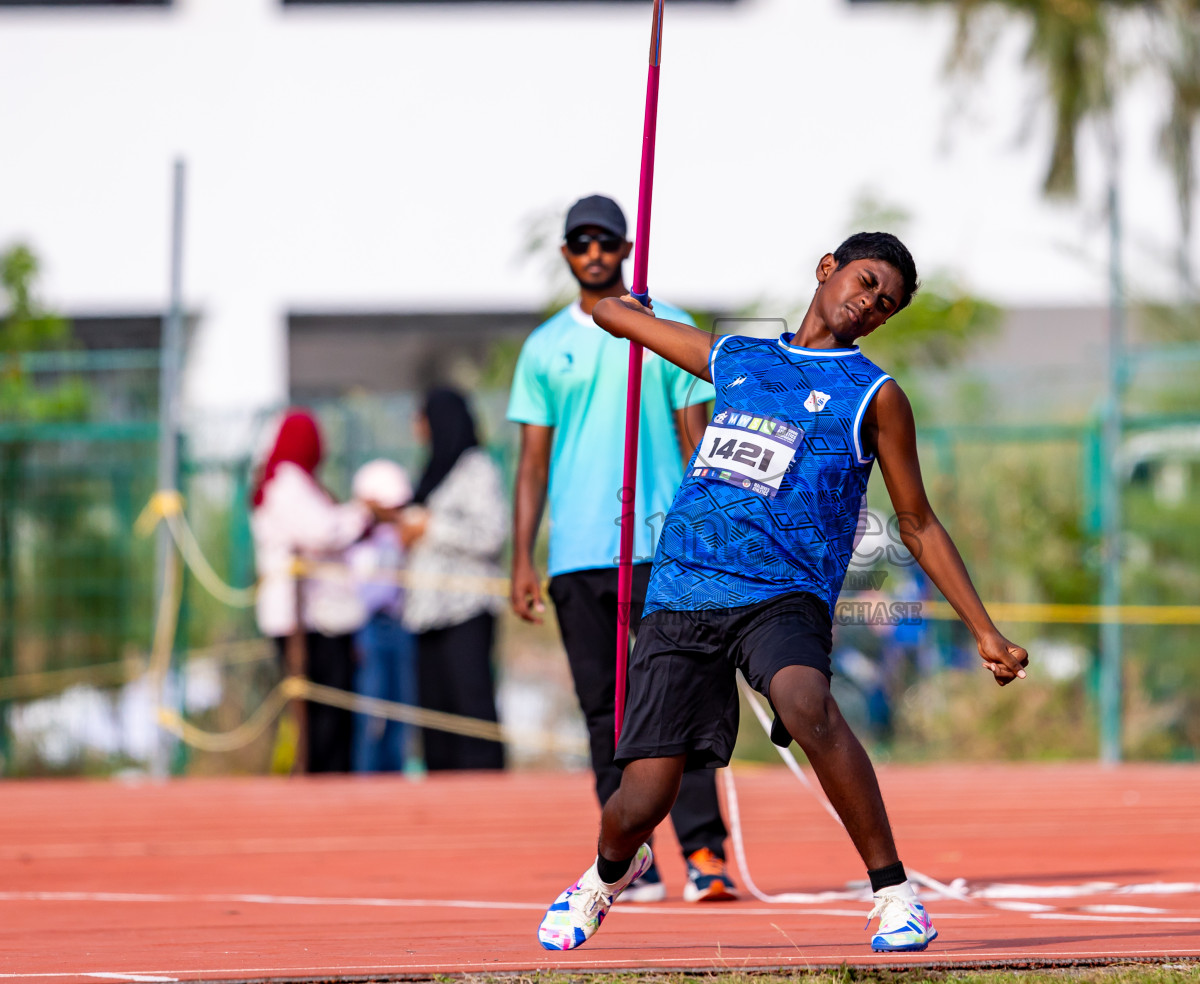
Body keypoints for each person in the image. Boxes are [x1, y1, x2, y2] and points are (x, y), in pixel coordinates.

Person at [537, 232, 1029, 953]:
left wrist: (985, 629)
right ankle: (607, 874)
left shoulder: (876, 396)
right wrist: (626, 306)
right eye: (864, 283)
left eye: (884, 304)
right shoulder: (740, 358)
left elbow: (917, 523)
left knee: (805, 702)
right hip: (683, 590)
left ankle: (895, 894)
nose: (869, 305)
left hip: (782, 593)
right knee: (640, 799)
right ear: (826, 269)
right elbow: (614, 316)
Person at [508, 194, 736, 903]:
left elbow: (697, 436)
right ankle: (630, 859)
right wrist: (522, 557)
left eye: (606, 240)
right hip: (578, 555)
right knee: (606, 710)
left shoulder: (665, 328)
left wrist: (716, 529)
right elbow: (532, 464)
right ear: (567, 253)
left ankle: (705, 854)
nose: (594, 252)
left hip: (664, 548)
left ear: (626, 246)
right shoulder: (545, 348)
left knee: (680, 700)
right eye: (580, 242)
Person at [250, 410, 371, 774]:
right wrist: (361, 516)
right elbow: (321, 532)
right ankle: (321, 787)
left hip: (320, 617)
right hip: (309, 620)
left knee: (330, 716)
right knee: (323, 715)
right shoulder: (287, 484)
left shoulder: (299, 482)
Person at [401, 388, 509, 772]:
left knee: (472, 708)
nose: (417, 427)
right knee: (435, 717)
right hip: (426, 611)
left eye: (423, 417)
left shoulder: (476, 468)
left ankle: (487, 798)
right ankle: (443, 805)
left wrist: (432, 526)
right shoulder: (433, 469)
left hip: (466, 607)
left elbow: (491, 534)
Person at [348, 459, 418, 774]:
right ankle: (367, 777)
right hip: (370, 628)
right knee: (371, 711)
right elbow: (366, 590)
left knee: (402, 708)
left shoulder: (400, 534)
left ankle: (397, 774)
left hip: (401, 626)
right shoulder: (356, 537)